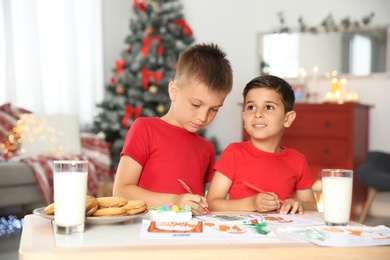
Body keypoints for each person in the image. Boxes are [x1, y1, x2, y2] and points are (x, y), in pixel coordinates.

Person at [113, 43, 233, 216]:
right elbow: (121, 192)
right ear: (174, 91)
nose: (203, 117)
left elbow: (210, 203)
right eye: (196, 104)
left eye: (214, 109)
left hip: (190, 235)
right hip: (146, 232)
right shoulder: (145, 129)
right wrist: (175, 201)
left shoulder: (206, 149)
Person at [207, 75, 318, 215]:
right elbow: (212, 203)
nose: (258, 114)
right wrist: (251, 203)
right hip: (243, 234)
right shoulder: (234, 153)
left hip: (283, 235)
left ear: (288, 118)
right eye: (251, 107)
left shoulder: (298, 161)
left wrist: (298, 204)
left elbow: (313, 207)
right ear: (244, 118)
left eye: (269, 107)